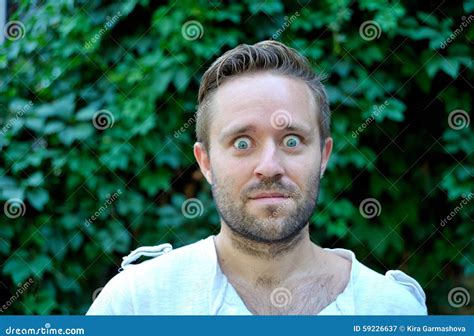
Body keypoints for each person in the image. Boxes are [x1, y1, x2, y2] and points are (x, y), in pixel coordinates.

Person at [87, 40, 427, 315]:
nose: (269, 166)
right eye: (242, 142)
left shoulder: (391, 311)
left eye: (292, 141)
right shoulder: (137, 305)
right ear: (205, 162)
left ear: (322, 156)